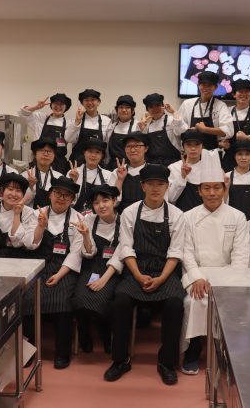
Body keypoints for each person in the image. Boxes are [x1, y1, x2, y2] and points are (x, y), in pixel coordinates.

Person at [104, 164, 185, 385]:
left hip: (164, 270)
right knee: (120, 302)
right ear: (142, 186)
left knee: (175, 304)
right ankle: (120, 360)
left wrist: (161, 278)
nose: (155, 188)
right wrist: (139, 276)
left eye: (160, 184)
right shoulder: (130, 212)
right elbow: (126, 248)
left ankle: (166, 363)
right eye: (151, 184)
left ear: (167, 187)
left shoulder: (176, 215)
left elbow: (175, 252)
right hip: (136, 269)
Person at [180, 150, 249, 375]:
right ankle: (193, 349)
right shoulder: (188, 217)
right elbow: (186, 253)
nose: (212, 193)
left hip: (228, 275)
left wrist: (223, 281)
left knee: (230, 302)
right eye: (207, 188)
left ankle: (225, 349)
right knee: (195, 302)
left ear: (224, 189)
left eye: (217, 188)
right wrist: (197, 278)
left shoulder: (237, 216)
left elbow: (241, 256)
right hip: (197, 274)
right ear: (199, 191)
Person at [27, 176, 85, 369]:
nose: (61, 198)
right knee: (28, 298)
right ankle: (28, 351)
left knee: (64, 302)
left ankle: (62, 353)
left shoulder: (79, 219)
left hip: (64, 269)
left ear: (72, 199)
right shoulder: (36, 213)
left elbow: (76, 253)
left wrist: (60, 274)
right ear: (50, 194)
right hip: (38, 265)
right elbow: (30, 245)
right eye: (58, 193)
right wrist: (40, 227)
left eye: (67, 195)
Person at [71, 184, 123, 354]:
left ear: (114, 201)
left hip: (113, 271)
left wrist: (103, 280)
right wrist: (86, 235)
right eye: (96, 202)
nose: (101, 206)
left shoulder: (124, 221)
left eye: (105, 200)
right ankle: (84, 334)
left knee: (103, 299)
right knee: (79, 299)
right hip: (92, 266)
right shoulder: (89, 220)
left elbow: (121, 255)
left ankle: (106, 335)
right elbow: (89, 253)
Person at [0, 173, 38, 257]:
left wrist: (17, 214)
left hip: (22, 260)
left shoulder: (30, 213)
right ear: (2, 191)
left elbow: (18, 243)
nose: (13, 194)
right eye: (10, 189)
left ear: (23, 194)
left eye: (18, 190)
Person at [19, 93, 74, 174]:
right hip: (40, 161)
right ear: (51, 105)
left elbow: (71, 139)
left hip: (59, 164)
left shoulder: (69, 124)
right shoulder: (41, 118)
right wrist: (36, 107)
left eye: (61, 104)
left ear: (66, 107)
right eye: (56, 103)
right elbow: (22, 113)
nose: (58, 106)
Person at [178, 71, 233, 150]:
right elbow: (178, 128)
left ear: (215, 87)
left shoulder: (221, 106)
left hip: (212, 153)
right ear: (198, 85)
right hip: (191, 151)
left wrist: (205, 129)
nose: (206, 88)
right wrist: (189, 130)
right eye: (203, 84)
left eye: (210, 85)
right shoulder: (187, 104)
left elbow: (229, 130)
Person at [66, 89, 112, 166]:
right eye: (86, 100)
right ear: (82, 103)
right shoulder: (75, 120)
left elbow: (107, 146)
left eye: (93, 100)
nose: (90, 103)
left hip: (97, 164)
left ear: (98, 102)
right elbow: (68, 139)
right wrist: (77, 121)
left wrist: (106, 163)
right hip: (77, 163)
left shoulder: (106, 121)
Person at [139, 93, 186, 167]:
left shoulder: (173, 120)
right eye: (151, 107)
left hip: (173, 165)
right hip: (153, 165)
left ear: (163, 106)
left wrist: (174, 112)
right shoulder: (146, 126)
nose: (155, 109)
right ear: (147, 110)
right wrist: (142, 130)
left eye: (158, 105)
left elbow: (183, 133)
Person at [67, 138, 112, 214]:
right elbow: (67, 201)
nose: (93, 155)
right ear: (84, 153)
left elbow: (112, 202)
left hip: (99, 216)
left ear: (102, 156)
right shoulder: (73, 172)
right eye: (90, 151)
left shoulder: (108, 175)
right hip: (75, 216)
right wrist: (73, 182)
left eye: (97, 152)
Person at [226, 140, 250, 220]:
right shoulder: (227, 177)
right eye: (240, 154)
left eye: (247, 154)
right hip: (231, 220)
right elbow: (223, 203)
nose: (243, 158)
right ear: (235, 156)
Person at [168, 130, 205, 212]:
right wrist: (182, 176)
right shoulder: (174, 167)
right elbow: (170, 198)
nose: (193, 148)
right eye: (189, 145)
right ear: (183, 147)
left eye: (197, 144)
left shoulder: (208, 168)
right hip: (181, 215)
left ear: (202, 146)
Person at [111, 132, 148, 213]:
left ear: (146, 148)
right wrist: (120, 179)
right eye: (129, 146)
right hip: (122, 216)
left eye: (137, 146)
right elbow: (112, 203)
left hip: (147, 215)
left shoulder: (153, 171)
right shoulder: (117, 172)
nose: (132, 150)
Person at [21, 137, 63, 208]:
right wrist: (30, 187)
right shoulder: (24, 176)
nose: (46, 154)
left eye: (49, 151)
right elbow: (20, 203)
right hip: (30, 214)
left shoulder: (59, 177)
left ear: (54, 156)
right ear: (35, 154)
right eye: (42, 150)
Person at [106, 95, 139, 171]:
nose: (124, 110)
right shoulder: (111, 127)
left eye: (127, 107)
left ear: (132, 111)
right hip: (112, 167)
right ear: (117, 110)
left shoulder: (138, 126)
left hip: (131, 167)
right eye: (121, 107)